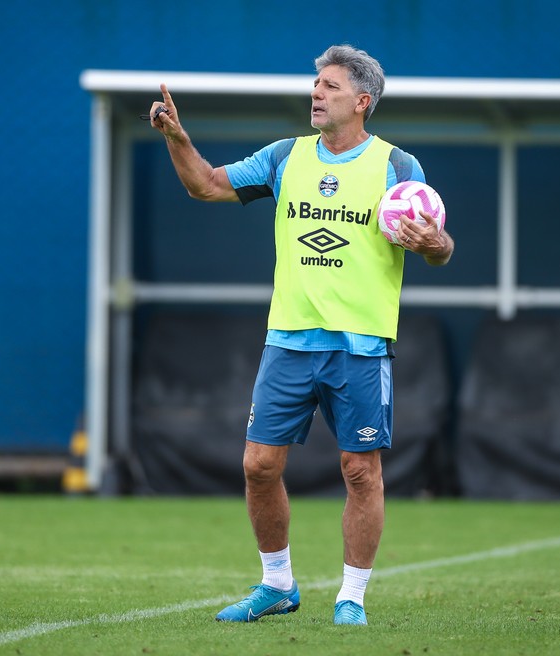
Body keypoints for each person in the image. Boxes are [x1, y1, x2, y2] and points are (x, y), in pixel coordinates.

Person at [147, 44, 454, 626]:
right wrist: (177, 138)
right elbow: (207, 186)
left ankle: (352, 598)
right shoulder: (285, 156)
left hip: (360, 347)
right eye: (316, 84)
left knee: (360, 471)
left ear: (362, 102)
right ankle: (277, 585)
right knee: (259, 466)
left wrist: (436, 245)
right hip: (288, 341)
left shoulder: (399, 168)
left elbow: (440, 246)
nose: (316, 93)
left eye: (331, 86)